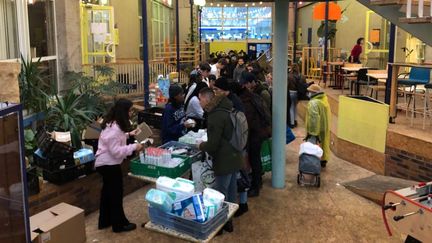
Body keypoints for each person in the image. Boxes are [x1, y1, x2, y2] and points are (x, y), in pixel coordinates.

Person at [95, 99, 145, 233]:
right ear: (123, 112)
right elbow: (116, 151)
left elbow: (117, 138)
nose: (130, 114)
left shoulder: (113, 124)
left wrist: (129, 134)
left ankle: (105, 221)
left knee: (107, 193)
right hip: (109, 164)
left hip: (105, 163)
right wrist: (134, 146)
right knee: (116, 194)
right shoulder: (115, 129)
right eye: (129, 111)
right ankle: (119, 224)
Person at [198, 87, 243, 233]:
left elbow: (213, 145)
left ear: (206, 99)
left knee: (219, 193)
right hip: (235, 155)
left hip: (224, 159)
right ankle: (229, 222)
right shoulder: (227, 108)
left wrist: (201, 145)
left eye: (200, 99)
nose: (199, 102)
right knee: (230, 190)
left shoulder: (215, 115)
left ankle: (220, 224)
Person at [212, 78, 249, 217]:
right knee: (237, 176)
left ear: (224, 90)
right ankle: (238, 206)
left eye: (217, 90)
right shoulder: (233, 100)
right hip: (239, 143)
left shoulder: (232, 103)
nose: (215, 93)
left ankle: (241, 205)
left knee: (239, 175)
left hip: (236, 145)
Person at [237, 72, 271, 197]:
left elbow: (249, 122)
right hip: (259, 133)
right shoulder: (253, 96)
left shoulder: (249, 99)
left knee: (254, 159)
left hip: (255, 135)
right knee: (254, 159)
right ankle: (257, 182)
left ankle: (256, 185)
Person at [305, 84, 331, 168]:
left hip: (316, 129)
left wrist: (312, 133)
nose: (308, 93)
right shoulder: (324, 99)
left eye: (309, 92)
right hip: (324, 126)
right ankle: (324, 159)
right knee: (324, 143)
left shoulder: (313, 103)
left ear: (313, 93)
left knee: (314, 147)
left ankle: (315, 163)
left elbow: (314, 119)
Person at [288, 64, 308, 128]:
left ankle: (292, 123)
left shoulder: (289, 76)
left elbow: (287, 85)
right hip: (298, 93)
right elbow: (305, 85)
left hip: (291, 92)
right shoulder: (302, 76)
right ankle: (295, 120)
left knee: (291, 107)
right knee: (295, 107)